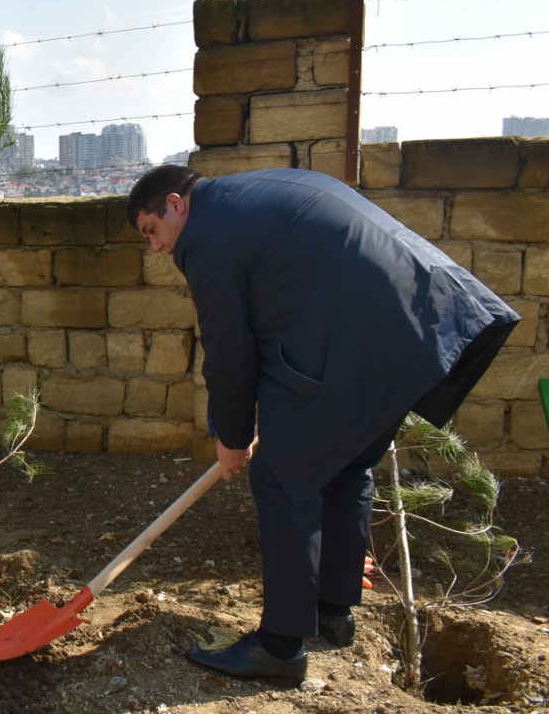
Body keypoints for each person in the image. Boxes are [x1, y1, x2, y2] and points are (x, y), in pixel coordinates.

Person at [127, 165, 519, 683]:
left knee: (282, 478)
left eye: (151, 230)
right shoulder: (260, 191)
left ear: (176, 204)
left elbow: (229, 348)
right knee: (346, 465)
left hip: (361, 339)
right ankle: (333, 614)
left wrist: (233, 437)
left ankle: (281, 648)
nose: (156, 248)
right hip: (423, 318)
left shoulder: (206, 236)